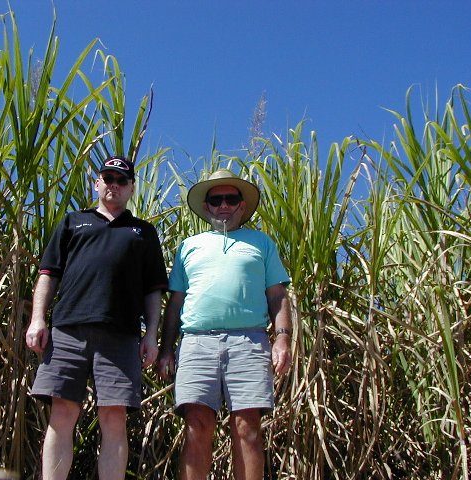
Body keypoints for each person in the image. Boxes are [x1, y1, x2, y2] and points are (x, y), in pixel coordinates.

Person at [26, 156, 168, 480]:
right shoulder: (74, 222)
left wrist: (151, 336)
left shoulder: (143, 232)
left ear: (131, 188)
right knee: (61, 414)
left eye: (122, 180)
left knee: (114, 418)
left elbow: (153, 291)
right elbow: (48, 275)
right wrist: (38, 320)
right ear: (97, 182)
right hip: (68, 330)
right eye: (108, 178)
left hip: (121, 335)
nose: (114, 185)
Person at [157, 169, 292, 480]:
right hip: (195, 342)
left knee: (247, 427)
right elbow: (175, 302)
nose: (224, 205)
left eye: (231, 199)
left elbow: (277, 295)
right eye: (216, 200)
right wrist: (166, 349)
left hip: (249, 342)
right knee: (197, 424)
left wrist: (282, 338)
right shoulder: (189, 246)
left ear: (242, 206)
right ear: (207, 207)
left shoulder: (261, 243)